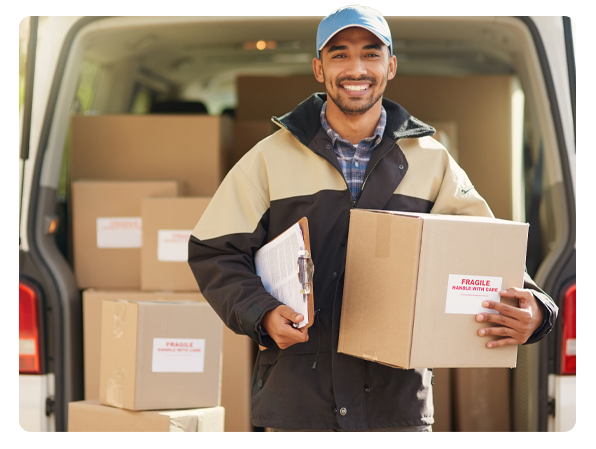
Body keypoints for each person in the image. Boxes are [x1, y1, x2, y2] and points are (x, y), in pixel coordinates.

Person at [188, 5, 558, 432]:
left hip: (396, 408)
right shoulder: (269, 159)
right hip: (298, 408)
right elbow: (213, 250)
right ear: (318, 67)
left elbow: (483, 253)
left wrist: (537, 308)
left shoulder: (432, 163)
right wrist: (262, 313)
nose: (356, 68)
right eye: (339, 54)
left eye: (371, 53)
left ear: (391, 65)